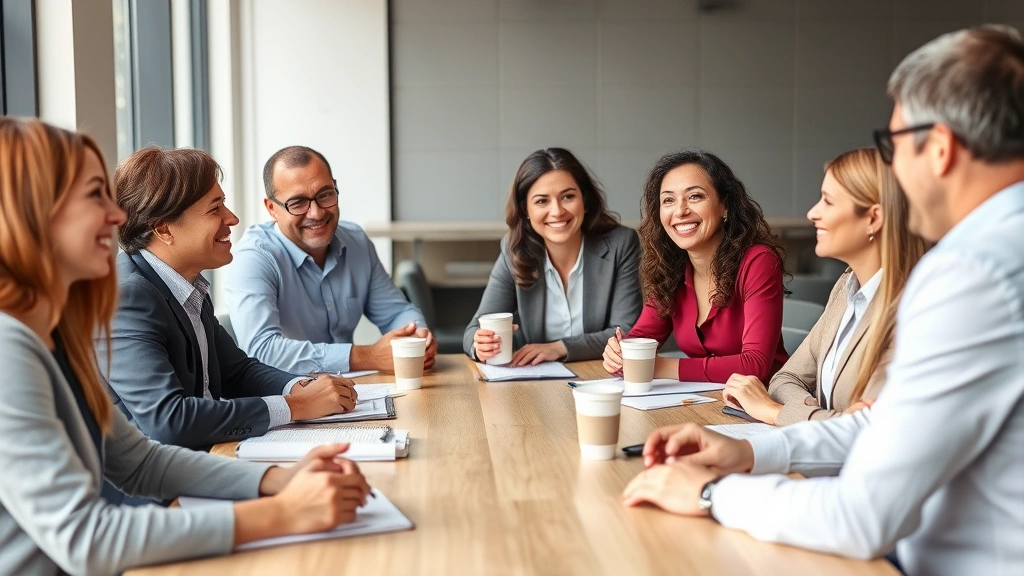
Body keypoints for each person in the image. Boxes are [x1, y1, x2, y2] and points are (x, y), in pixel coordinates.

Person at [621, 25, 1024, 575]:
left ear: (941, 148)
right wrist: (748, 451)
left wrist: (713, 493)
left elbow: (863, 516)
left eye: (893, 146)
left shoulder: (970, 273)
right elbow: (884, 426)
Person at [0, 117, 372, 575]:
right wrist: (285, 511)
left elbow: (139, 462)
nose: (117, 217)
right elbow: (85, 539)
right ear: (33, 214)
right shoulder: (9, 347)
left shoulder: (55, 333)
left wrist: (281, 479)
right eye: (93, 195)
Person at [99, 146, 357, 451]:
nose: (232, 218)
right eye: (215, 208)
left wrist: (300, 386)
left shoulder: (185, 282)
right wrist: (295, 406)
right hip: (151, 490)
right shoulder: (125, 297)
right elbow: (170, 421)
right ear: (164, 229)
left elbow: (236, 370)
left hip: (200, 460)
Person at [721, 148, 926, 425]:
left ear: (873, 219)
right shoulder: (847, 287)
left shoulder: (913, 309)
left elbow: (871, 429)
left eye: (828, 202)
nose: (812, 213)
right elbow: (785, 378)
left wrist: (773, 411)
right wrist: (822, 417)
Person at [224, 145, 437, 375]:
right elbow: (262, 350)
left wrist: (417, 337)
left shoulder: (355, 242)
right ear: (272, 209)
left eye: (325, 195)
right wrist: (368, 356)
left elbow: (396, 313)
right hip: (290, 400)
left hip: (354, 394)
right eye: (297, 203)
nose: (316, 213)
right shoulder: (253, 259)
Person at [602, 149, 788, 382]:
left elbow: (754, 365)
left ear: (725, 205)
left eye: (695, 196)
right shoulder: (672, 269)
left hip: (766, 401)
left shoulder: (758, 261)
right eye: (668, 200)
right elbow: (642, 336)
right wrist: (621, 354)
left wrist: (656, 367)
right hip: (704, 402)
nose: (680, 211)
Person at [464, 148, 642, 365]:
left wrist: (560, 347)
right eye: (541, 201)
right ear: (525, 209)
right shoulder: (514, 250)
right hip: (539, 384)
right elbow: (474, 330)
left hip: (601, 376)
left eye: (568, 197)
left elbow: (627, 332)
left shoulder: (620, 244)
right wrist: (480, 344)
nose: (557, 211)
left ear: (584, 200)